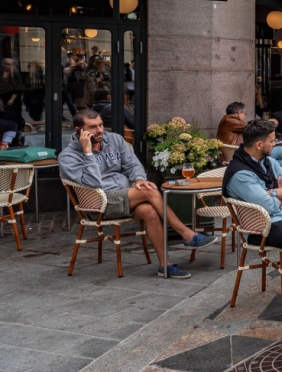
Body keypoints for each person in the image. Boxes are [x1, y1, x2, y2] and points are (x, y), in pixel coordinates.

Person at [59, 109, 216, 279]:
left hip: (126, 196)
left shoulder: (115, 140)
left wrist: (139, 179)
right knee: (150, 191)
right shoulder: (68, 156)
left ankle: (166, 265)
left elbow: (133, 165)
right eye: (93, 127)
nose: (100, 130)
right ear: (78, 131)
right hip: (99, 202)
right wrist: (88, 153)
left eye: (101, 125)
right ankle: (187, 234)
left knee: (149, 210)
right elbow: (93, 183)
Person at [224, 120, 282, 317]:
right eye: (272, 141)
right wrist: (279, 194)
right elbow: (270, 206)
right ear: (259, 145)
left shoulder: (269, 162)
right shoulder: (241, 174)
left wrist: (272, 192)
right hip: (260, 228)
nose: (275, 144)